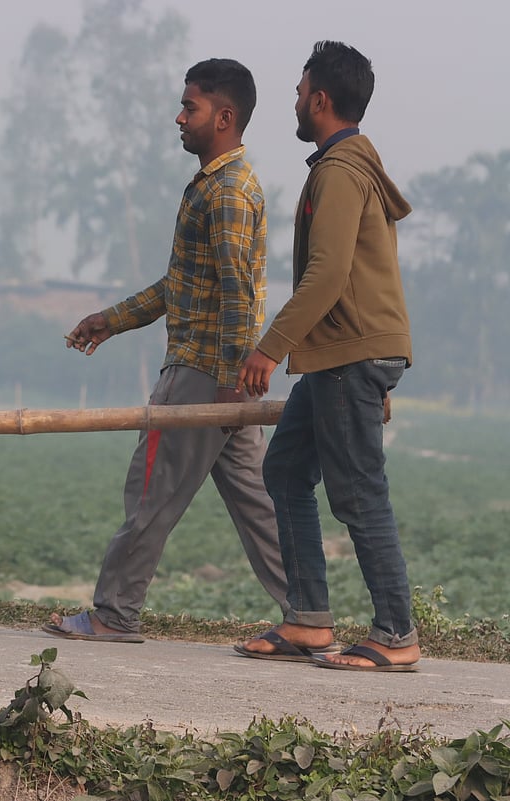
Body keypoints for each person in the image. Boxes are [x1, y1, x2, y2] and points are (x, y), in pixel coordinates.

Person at [45, 58, 295, 644]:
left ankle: (114, 613)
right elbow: (179, 285)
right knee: (260, 507)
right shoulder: (217, 186)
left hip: (203, 378)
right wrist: (112, 319)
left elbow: (237, 292)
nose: (179, 117)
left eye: (191, 107)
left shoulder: (228, 191)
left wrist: (230, 381)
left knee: (151, 493)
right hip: (221, 377)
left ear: (224, 117)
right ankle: (308, 614)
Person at [234, 41, 418, 672]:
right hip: (346, 353)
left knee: (360, 493)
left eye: (298, 90)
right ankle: (308, 620)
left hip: (347, 355)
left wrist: (269, 348)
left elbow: (329, 275)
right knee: (284, 473)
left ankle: (396, 632)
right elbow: (366, 274)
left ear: (319, 99)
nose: (294, 101)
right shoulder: (347, 166)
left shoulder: (339, 172)